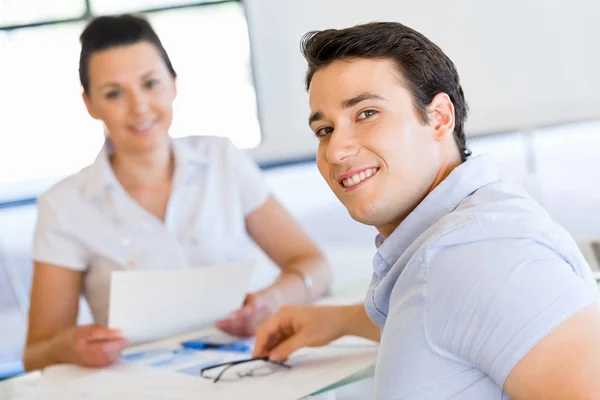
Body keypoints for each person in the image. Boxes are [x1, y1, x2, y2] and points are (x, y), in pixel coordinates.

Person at [254, 22, 600, 399]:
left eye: (366, 114)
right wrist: (341, 320)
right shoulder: (455, 246)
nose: (336, 151)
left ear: (439, 118)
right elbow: (460, 313)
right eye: (324, 130)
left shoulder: (480, 256)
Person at [23, 14, 331, 372]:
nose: (139, 107)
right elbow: (36, 353)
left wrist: (272, 299)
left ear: (173, 84)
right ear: (90, 104)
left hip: (250, 370)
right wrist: (72, 347)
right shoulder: (63, 207)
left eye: (150, 83)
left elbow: (315, 266)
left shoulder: (221, 160)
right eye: (113, 93)